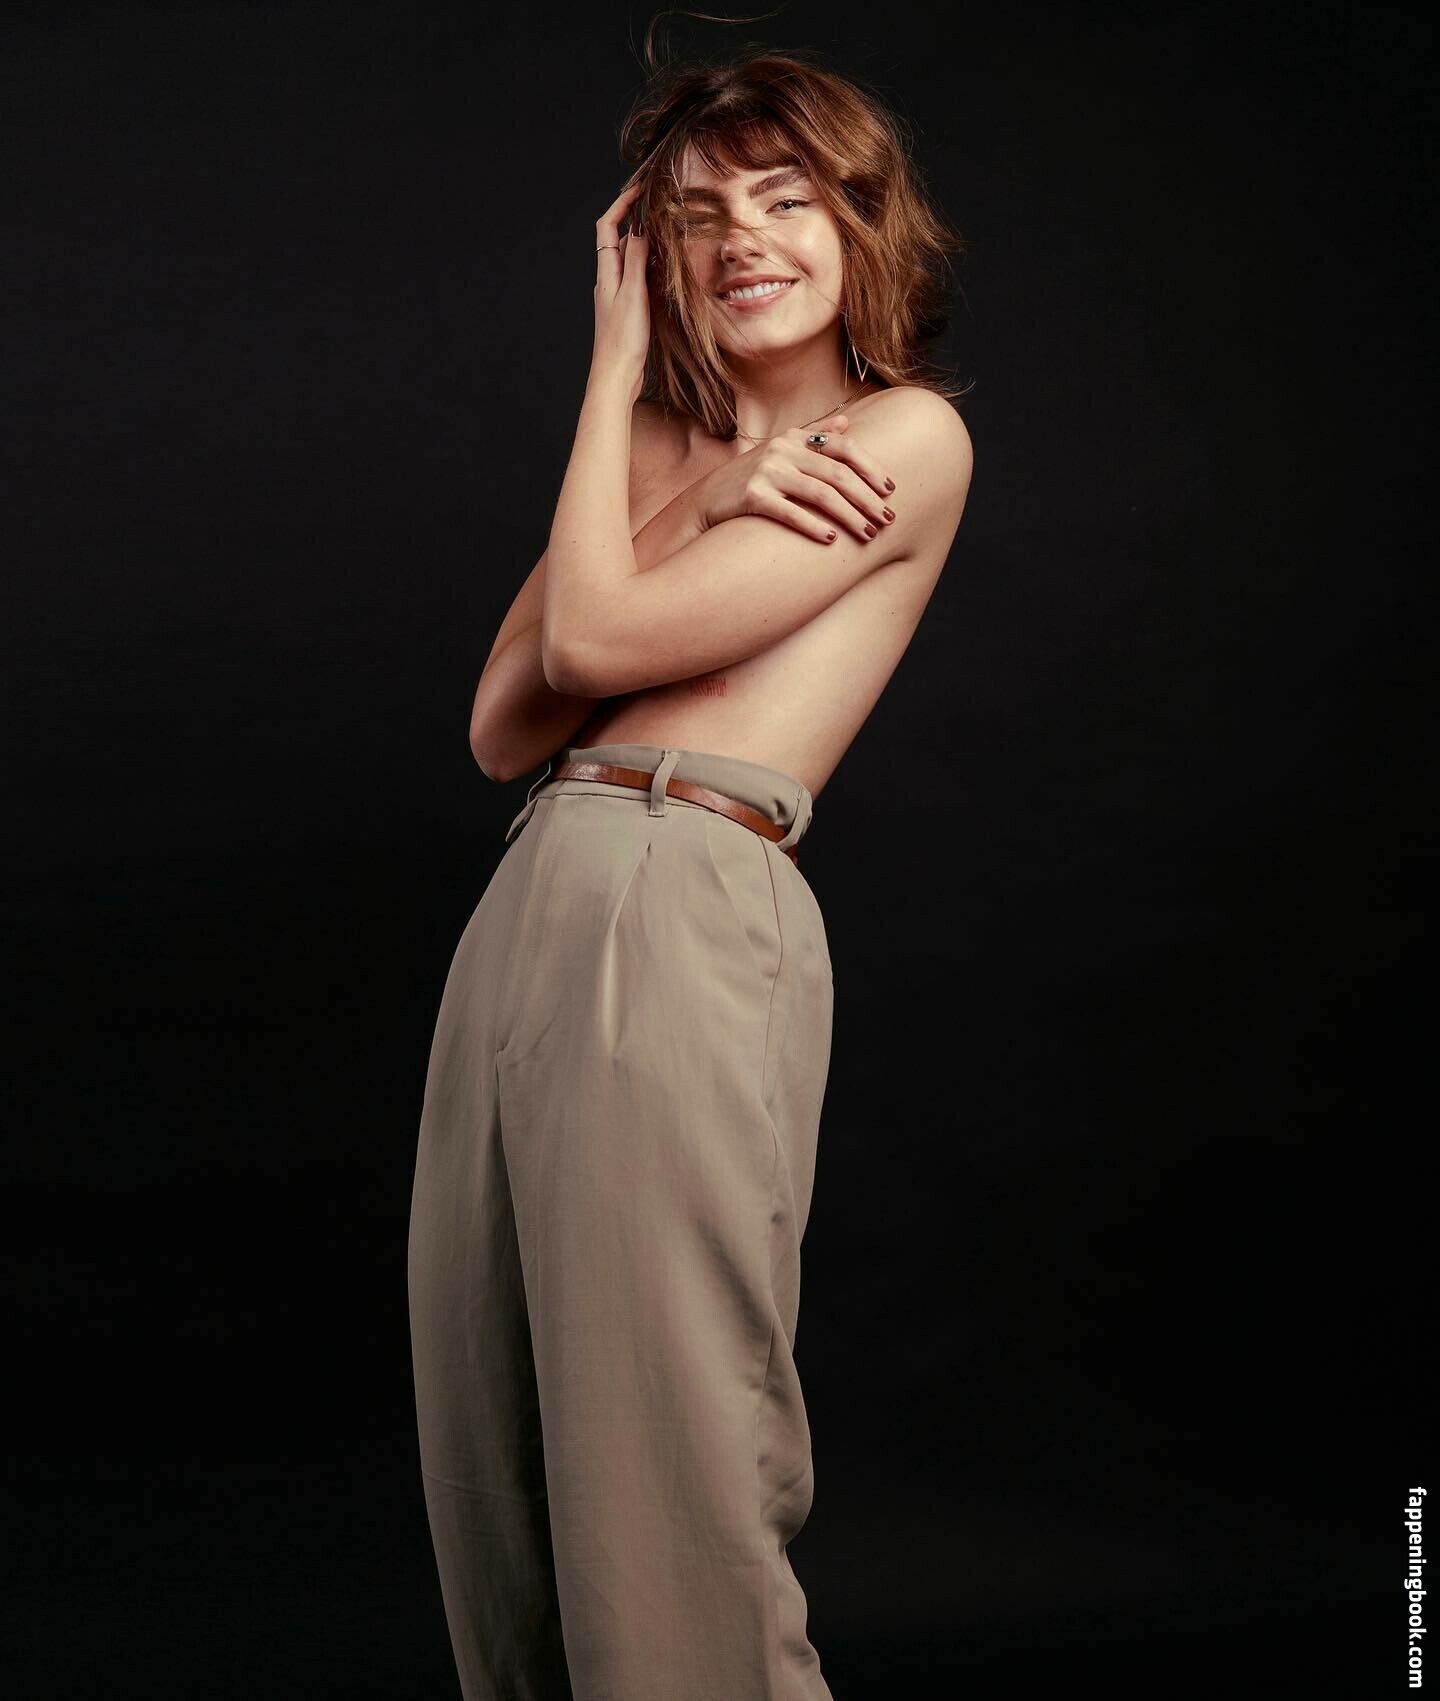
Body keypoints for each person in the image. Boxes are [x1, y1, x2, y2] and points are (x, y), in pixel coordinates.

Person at [407, 42, 974, 1701]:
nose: (742, 242)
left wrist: (646, 444)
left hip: (687, 882)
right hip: (536, 891)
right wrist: (655, 425)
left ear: (860, 222)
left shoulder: (905, 434)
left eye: (784, 200)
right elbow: (503, 724)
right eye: (699, 214)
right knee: (494, 1458)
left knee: (667, 1461)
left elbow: (584, 644)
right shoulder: (668, 440)